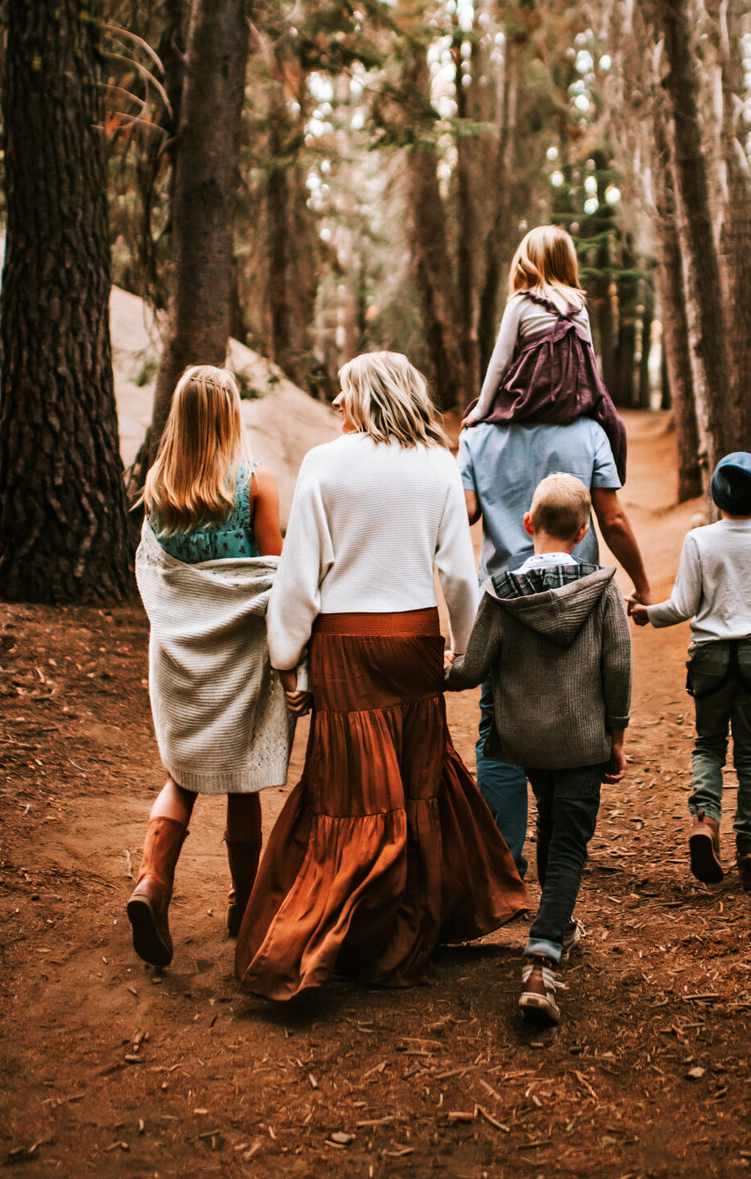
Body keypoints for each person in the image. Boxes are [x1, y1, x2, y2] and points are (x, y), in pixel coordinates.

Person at [235, 351, 527, 1000]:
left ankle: (337, 939)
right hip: (416, 641)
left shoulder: (325, 464)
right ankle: (407, 939)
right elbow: (457, 571)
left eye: (343, 391)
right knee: (417, 782)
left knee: (353, 794)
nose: (335, 403)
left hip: (347, 648)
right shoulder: (437, 463)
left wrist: (288, 657)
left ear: (369, 394)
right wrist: (467, 651)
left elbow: (300, 574)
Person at [446, 474, 631, 1025]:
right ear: (582, 532)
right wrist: (616, 736)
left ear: (528, 526)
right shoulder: (601, 591)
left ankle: (560, 921)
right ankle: (543, 956)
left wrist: (434, 669)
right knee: (569, 842)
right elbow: (617, 667)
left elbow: (473, 670)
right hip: (580, 739)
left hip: (523, 739)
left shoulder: (501, 594)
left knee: (551, 824)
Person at [129, 365, 290, 969]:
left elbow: (157, 572)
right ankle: (246, 902)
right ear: (230, 415)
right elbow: (270, 577)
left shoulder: (158, 485)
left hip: (176, 653)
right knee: (243, 775)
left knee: (182, 775)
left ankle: (152, 883)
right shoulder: (257, 484)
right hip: (239, 656)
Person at [460, 413, 651, 873]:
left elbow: (462, 512)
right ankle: (561, 849)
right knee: (572, 710)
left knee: (497, 730)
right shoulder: (589, 431)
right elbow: (614, 516)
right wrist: (643, 585)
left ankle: (503, 863)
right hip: (579, 598)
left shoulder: (477, 435)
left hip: (505, 600)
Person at [631, 452, 751, 890]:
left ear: (716, 494)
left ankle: (706, 821)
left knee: (708, 745)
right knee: (750, 758)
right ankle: (749, 855)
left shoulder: (700, 540)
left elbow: (683, 607)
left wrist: (646, 613)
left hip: (709, 660)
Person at [462, 225, 627, 482]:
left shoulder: (521, 302)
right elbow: (589, 365)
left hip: (530, 398)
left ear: (528, 261)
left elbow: (501, 361)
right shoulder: (579, 307)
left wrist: (482, 409)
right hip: (571, 402)